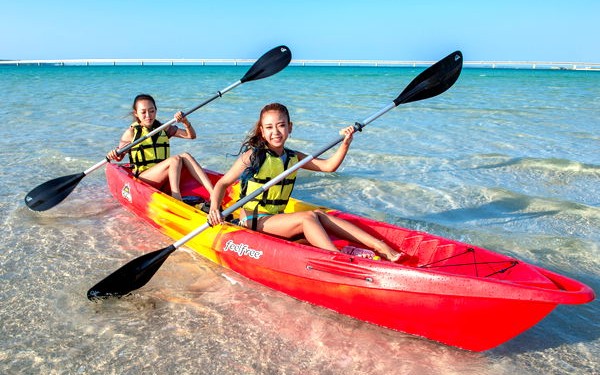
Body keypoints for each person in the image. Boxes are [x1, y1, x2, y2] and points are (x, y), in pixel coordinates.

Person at [207, 102, 406, 262]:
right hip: (253, 220)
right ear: (261, 131)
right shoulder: (253, 156)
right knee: (307, 218)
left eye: (281, 125)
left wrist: (346, 143)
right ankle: (338, 258)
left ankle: (380, 246)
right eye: (269, 127)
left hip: (275, 219)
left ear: (290, 127)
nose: (275, 131)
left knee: (319, 215)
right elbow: (222, 184)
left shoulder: (294, 158)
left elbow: (328, 166)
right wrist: (214, 209)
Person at [106, 94, 214, 200]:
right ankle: (176, 197)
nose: (148, 115)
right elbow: (119, 157)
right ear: (136, 114)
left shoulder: (163, 128)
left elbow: (191, 136)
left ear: (156, 111)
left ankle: (213, 193)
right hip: (144, 179)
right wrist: (114, 153)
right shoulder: (131, 132)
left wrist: (185, 121)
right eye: (143, 112)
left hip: (162, 176)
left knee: (185, 155)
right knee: (175, 160)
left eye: (151, 111)